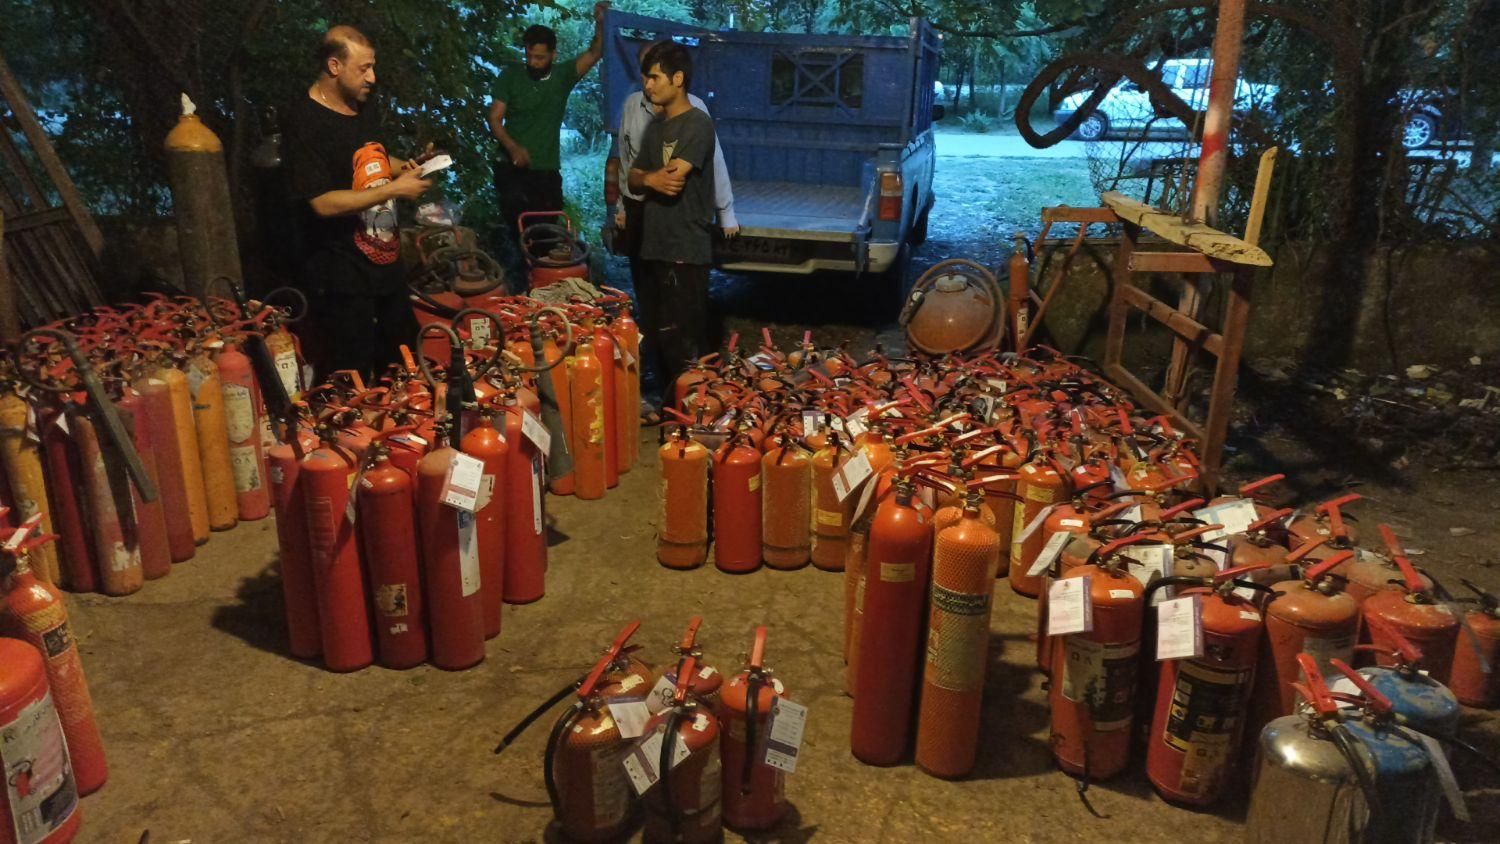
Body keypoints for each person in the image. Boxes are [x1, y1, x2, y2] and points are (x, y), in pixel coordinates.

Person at [283, 25, 430, 380]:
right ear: (334, 66)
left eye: (373, 66)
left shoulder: (361, 105)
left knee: (406, 365)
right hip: (341, 276)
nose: (372, 77)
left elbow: (370, 158)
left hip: (386, 266)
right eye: (363, 68)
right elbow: (321, 202)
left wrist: (407, 168)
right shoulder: (302, 121)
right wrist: (394, 191)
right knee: (354, 377)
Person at [614, 41, 738, 419]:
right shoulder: (656, 127)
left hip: (685, 248)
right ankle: (671, 412)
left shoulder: (699, 123)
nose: (647, 85)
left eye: (654, 77)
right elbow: (633, 178)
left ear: (677, 79)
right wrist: (646, 178)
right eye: (646, 77)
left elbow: (671, 180)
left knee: (683, 338)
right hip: (653, 246)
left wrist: (647, 178)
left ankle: (691, 418)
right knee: (655, 333)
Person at [487, 3, 608, 280]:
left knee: (547, 232)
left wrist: (600, 22)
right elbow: (495, 118)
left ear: (553, 55)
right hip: (511, 169)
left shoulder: (563, 76)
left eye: (540, 57)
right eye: (529, 55)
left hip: (546, 169)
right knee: (519, 229)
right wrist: (513, 147)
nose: (533, 62)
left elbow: (595, 52)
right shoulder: (511, 76)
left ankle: (546, 283)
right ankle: (520, 278)